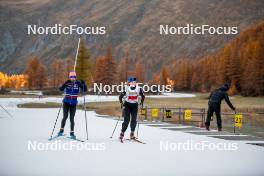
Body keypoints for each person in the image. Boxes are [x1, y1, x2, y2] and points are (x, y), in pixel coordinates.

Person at [57, 71, 87, 139]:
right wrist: (64, 85)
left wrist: (84, 84)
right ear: (69, 77)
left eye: (74, 77)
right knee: (65, 116)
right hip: (66, 103)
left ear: (75, 77)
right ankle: (61, 131)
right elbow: (60, 89)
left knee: (72, 118)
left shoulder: (78, 83)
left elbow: (85, 90)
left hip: (73, 104)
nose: (72, 78)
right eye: (71, 77)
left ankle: (72, 133)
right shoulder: (67, 83)